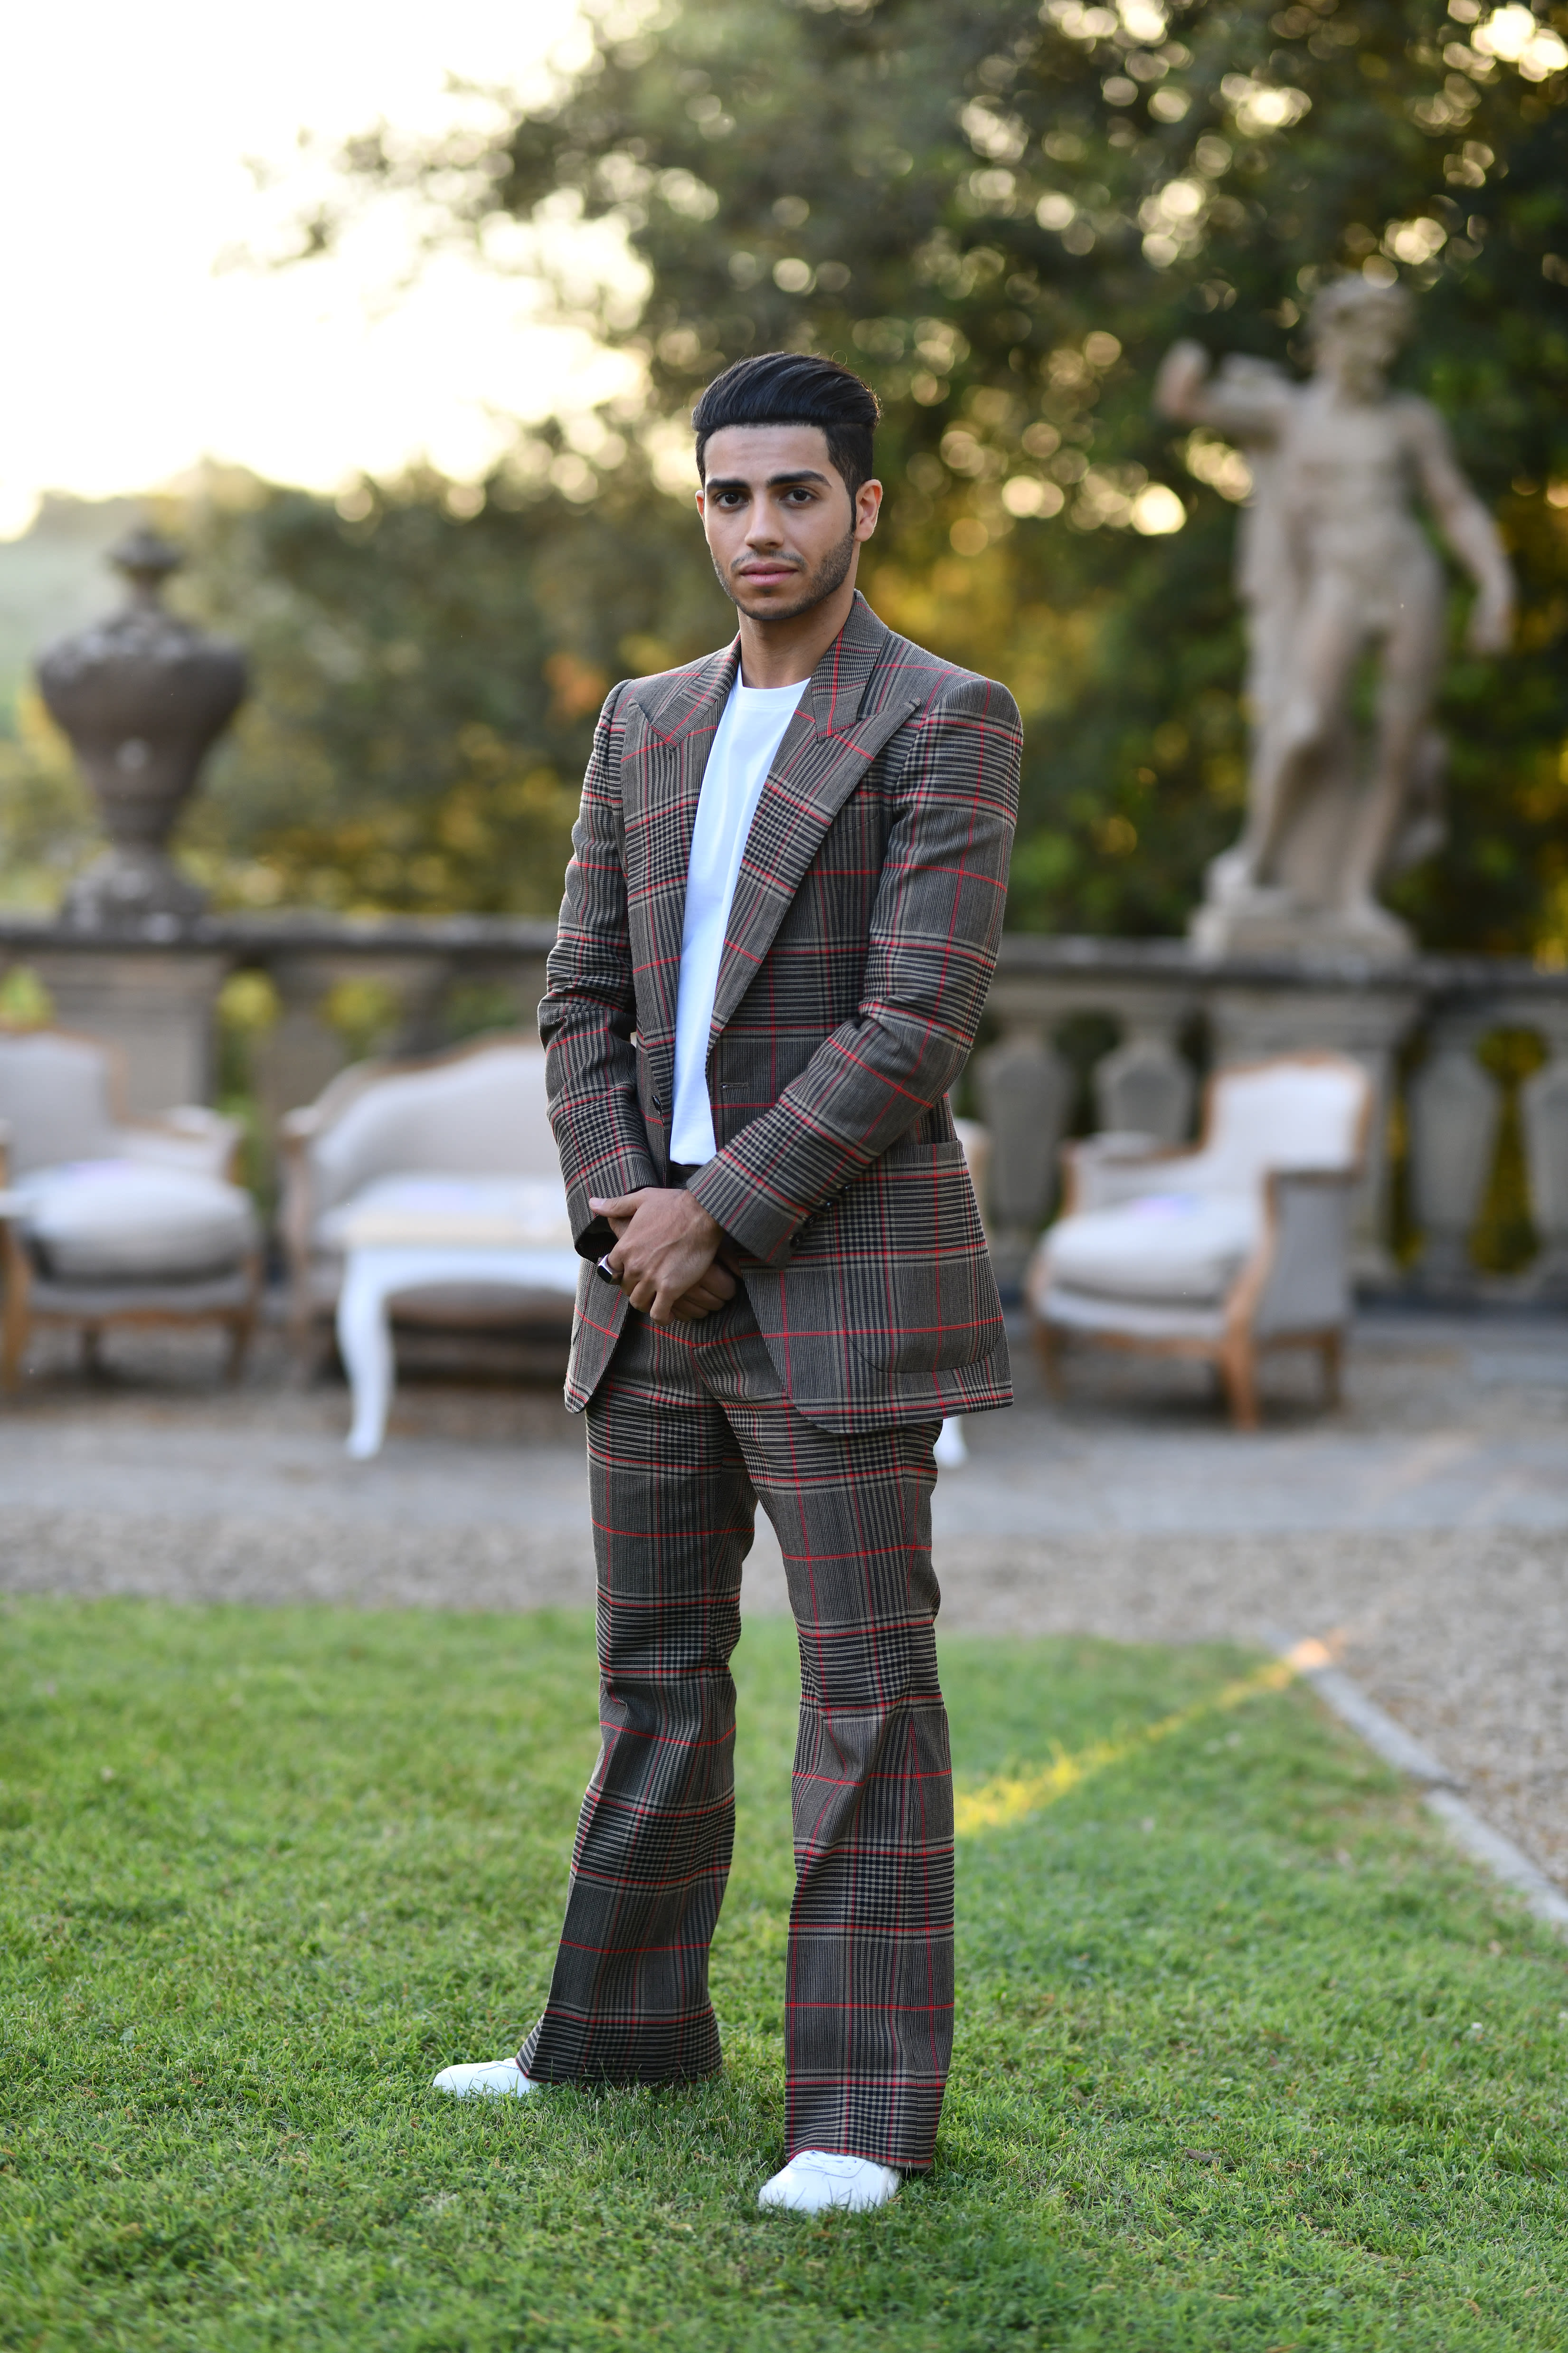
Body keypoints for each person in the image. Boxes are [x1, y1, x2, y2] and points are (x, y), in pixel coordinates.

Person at [434, 351, 1022, 2214]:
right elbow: (579, 996)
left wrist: (720, 1212)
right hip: (649, 1282)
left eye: (794, 492)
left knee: (866, 1693)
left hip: (836, 1278)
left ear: (863, 507)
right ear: (700, 507)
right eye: (728, 493)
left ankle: (859, 2114)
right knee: (655, 1676)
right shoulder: (645, 722)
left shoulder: (943, 717)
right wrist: (630, 1208)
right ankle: (615, 2035)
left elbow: (914, 1022)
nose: (759, 525)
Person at [1156, 277, 1513, 950]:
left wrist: (1496, 585)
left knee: (1399, 746)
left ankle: (1356, 895)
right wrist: (1188, 367)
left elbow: (1454, 505)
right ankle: (1255, 859)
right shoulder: (1292, 413)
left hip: (1409, 581)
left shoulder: (1409, 421)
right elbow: (1186, 404)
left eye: (1388, 342)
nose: (1380, 355)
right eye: (1368, 339)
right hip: (1339, 583)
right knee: (1305, 725)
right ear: (1332, 339)